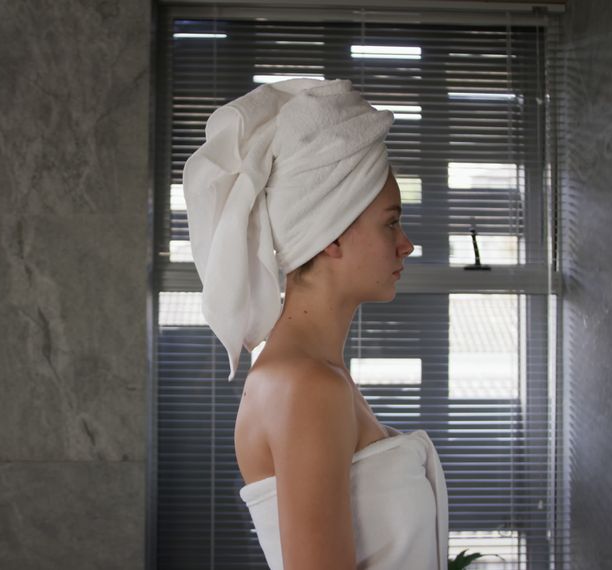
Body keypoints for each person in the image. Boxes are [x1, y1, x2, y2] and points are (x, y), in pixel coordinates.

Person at [183, 78, 448, 570]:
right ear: (332, 236)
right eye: (391, 222)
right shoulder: (307, 386)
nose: (406, 243)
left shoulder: (317, 377)